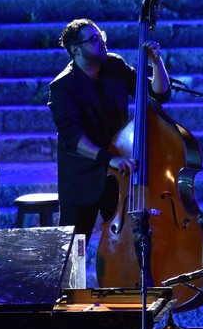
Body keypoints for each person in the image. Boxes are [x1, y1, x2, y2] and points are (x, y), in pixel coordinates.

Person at [47, 18, 171, 241]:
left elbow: (158, 95)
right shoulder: (62, 87)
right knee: (73, 250)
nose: (102, 42)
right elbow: (73, 138)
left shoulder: (115, 66)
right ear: (76, 49)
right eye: (93, 39)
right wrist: (109, 158)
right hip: (82, 180)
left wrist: (156, 62)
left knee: (127, 241)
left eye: (100, 36)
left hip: (118, 179)